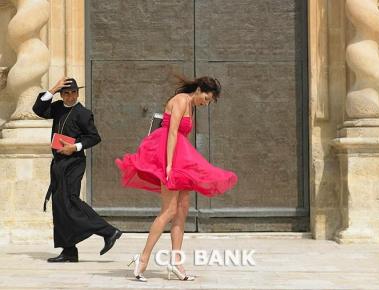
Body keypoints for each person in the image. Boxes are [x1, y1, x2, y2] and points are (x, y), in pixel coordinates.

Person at [115, 76, 238, 281]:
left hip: (180, 159)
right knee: (169, 210)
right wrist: (170, 165)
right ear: (199, 90)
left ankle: (176, 263)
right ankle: (142, 260)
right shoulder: (181, 100)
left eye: (209, 102)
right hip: (167, 157)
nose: (205, 103)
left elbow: (183, 138)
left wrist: (184, 163)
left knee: (181, 212)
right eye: (206, 98)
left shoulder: (192, 106)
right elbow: (172, 133)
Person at [32, 77, 122, 263]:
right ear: (61, 94)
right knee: (59, 205)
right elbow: (38, 110)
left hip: (74, 163)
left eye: (74, 93)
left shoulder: (83, 113)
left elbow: (94, 137)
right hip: (58, 163)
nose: (71, 96)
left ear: (78, 93)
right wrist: (53, 88)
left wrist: (76, 147)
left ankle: (109, 231)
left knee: (70, 200)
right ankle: (69, 251)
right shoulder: (57, 108)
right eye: (66, 93)